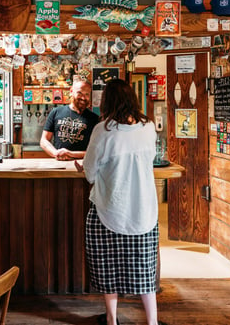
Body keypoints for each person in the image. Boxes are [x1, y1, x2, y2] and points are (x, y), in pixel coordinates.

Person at [75, 79, 162, 325]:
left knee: (108, 269)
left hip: (109, 211)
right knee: (145, 271)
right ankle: (152, 321)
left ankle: (112, 320)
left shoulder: (103, 130)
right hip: (144, 211)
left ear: (107, 102)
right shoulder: (148, 127)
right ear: (132, 100)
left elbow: (90, 173)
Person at [40, 79, 99, 161]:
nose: (83, 97)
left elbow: (96, 150)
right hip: (59, 164)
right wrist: (56, 153)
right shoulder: (56, 112)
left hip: (82, 166)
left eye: (87, 94)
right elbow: (44, 140)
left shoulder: (94, 119)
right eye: (80, 93)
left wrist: (69, 153)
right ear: (71, 92)